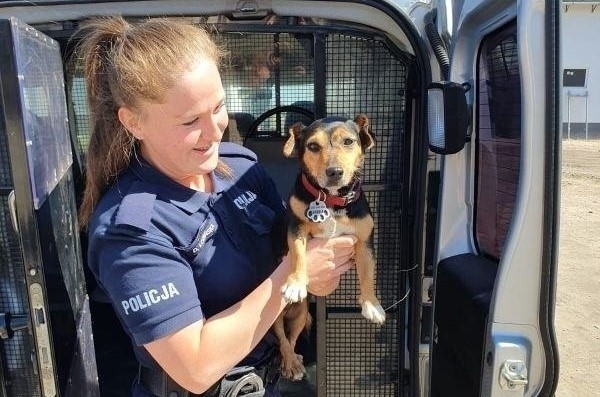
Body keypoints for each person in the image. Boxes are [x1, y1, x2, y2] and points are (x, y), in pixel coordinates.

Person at [76, 16, 355, 397]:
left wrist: (320, 264)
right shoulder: (130, 227)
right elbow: (195, 367)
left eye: (219, 106)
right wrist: (296, 272)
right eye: (190, 120)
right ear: (134, 122)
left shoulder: (240, 166)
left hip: (269, 381)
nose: (214, 131)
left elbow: (287, 249)